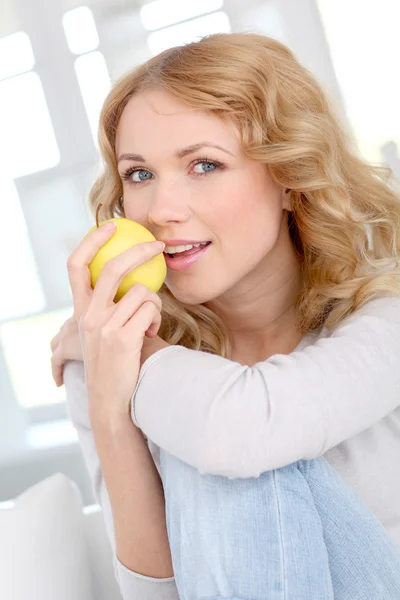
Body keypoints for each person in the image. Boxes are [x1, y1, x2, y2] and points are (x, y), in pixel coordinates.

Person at [50, 32, 400, 599]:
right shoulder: (106, 357)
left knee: (214, 441)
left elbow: (238, 430)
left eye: (205, 165)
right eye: (139, 174)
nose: (162, 210)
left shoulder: (386, 317)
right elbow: (156, 597)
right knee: (197, 434)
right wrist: (110, 409)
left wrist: (126, 355)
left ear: (289, 177)